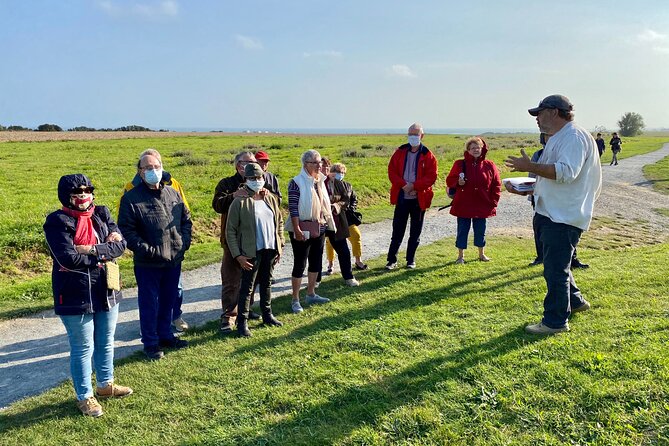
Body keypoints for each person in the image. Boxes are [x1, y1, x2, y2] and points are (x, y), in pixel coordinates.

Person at [505, 94, 601, 335]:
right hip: (552, 211)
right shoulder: (560, 137)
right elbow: (554, 179)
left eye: (540, 112)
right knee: (556, 264)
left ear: (555, 112)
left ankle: (555, 322)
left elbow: (567, 172)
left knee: (555, 269)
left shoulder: (573, 137)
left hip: (563, 215)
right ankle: (575, 301)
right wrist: (528, 187)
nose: (537, 118)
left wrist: (530, 167)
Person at [44, 174, 132, 417]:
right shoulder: (57, 222)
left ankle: (105, 385)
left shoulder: (101, 213)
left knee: (106, 341)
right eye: (76, 191)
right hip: (75, 293)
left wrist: (92, 249)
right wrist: (105, 250)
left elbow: (120, 246)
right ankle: (85, 396)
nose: (83, 195)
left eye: (87, 189)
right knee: (83, 347)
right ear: (66, 196)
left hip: (106, 289)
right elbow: (67, 258)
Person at [118, 151, 192, 359]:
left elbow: (186, 220)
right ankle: (151, 343)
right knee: (149, 303)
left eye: (156, 167)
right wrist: (149, 250)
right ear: (140, 172)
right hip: (148, 263)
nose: (153, 171)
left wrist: (183, 243)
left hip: (173, 259)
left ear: (162, 167)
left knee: (169, 300)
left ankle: (166, 335)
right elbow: (127, 231)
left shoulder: (173, 193)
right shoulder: (131, 198)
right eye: (147, 168)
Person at [226, 163, 285, 337]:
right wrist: (238, 255)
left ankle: (267, 315)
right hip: (250, 251)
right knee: (247, 287)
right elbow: (230, 231)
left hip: (269, 248)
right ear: (246, 179)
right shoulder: (240, 201)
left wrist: (279, 243)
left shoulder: (270, 198)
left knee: (266, 283)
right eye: (252, 178)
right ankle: (242, 323)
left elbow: (279, 221)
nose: (256, 181)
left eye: (259, 178)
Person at [212, 151, 259, 333]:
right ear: (238, 165)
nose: (251, 165)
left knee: (251, 279)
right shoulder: (226, 183)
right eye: (247, 162)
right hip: (232, 240)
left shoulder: (258, 181)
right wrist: (234, 195)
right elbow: (217, 205)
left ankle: (246, 310)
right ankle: (229, 316)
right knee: (231, 280)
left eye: (254, 162)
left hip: (254, 239)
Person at [528, 134, 590, 270]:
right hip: (540, 197)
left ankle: (572, 259)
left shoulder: (563, 152)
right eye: (546, 137)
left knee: (565, 231)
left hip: (560, 199)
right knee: (541, 230)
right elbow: (532, 178)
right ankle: (541, 256)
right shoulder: (538, 155)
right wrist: (531, 194)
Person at [285, 150, 335, 313]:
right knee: (300, 263)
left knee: (316, 261)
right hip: (302, 228)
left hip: (319, 226)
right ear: (306, 164)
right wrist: (297, 229)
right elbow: (293, 208)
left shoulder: (320, 181)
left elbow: (324, 204)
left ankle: (311, 293)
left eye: (320, 162)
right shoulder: (296, 182)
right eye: (315, 162)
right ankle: (295, 299)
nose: (320, 165)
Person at [385, 123, 438, 269]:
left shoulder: (428, 155)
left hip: (419, 199)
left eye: (416, 134)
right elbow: (392, 172)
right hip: (401, 197)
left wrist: (415, 186)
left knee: (415, 231)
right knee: (397, 230)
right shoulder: (400, 152)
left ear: (422, 136)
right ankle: (392, 260)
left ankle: (410, 260)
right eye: (410, 134)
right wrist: (404, 185)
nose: (413, 137)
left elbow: (431, 176)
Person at [446, 137, 501, 264]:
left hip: (482, 204)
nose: (476, 150)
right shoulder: (459, 164)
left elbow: (496, 185)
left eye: (478, 147)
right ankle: (460, 256)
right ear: (468, 150)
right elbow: (449, 181)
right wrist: (457, 183)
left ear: (483, 149)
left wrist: (493, 202)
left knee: (480, 230)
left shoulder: (489, 165)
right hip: (464, 204)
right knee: (462, 231)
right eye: (473, 148)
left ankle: (481, 254)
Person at [320, 158, 359, 286]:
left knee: (343, 250)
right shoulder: (312, 182)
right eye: (322, 166)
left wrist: (336, 206)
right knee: (317, 251)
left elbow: (346, 199)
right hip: (318, 221)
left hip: (335, 220)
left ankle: (348, 277)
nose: (325, 169)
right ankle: (316, 280)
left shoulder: (336, 182)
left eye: (327, 167)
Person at [325, 162, 368, 274]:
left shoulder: (348, 185)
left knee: (356, 235)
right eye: (338, 172)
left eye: (343, 172)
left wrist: (352, 208)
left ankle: (358, 261)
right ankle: (330, 264)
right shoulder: (328, 185)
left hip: (347, 217)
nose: (341, 174)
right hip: (333, 217)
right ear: (332, 172)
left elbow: (354, 198)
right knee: (330, 241)